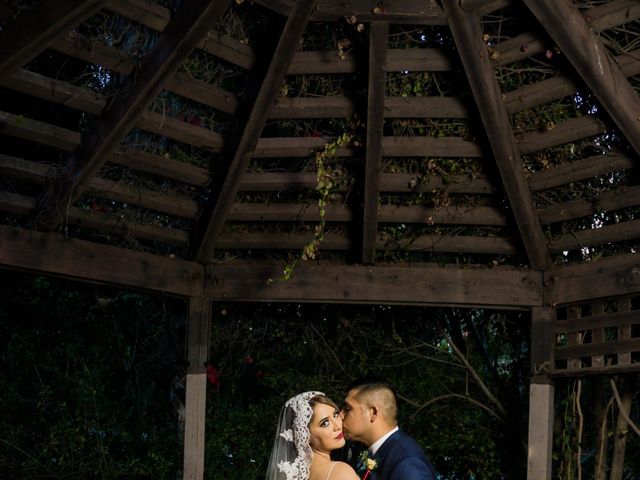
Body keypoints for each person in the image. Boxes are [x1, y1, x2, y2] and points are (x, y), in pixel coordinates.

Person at [341, 380, 436, 480]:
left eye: (347, 408)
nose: (340, 415)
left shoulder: (406, 463)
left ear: (373, 413)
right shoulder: (386, 452)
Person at [266, 391, 360, 480]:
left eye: (335, 414)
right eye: (325, 423)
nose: (338, 426)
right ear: (306, 435)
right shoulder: (340, 472)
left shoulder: (293, 475)